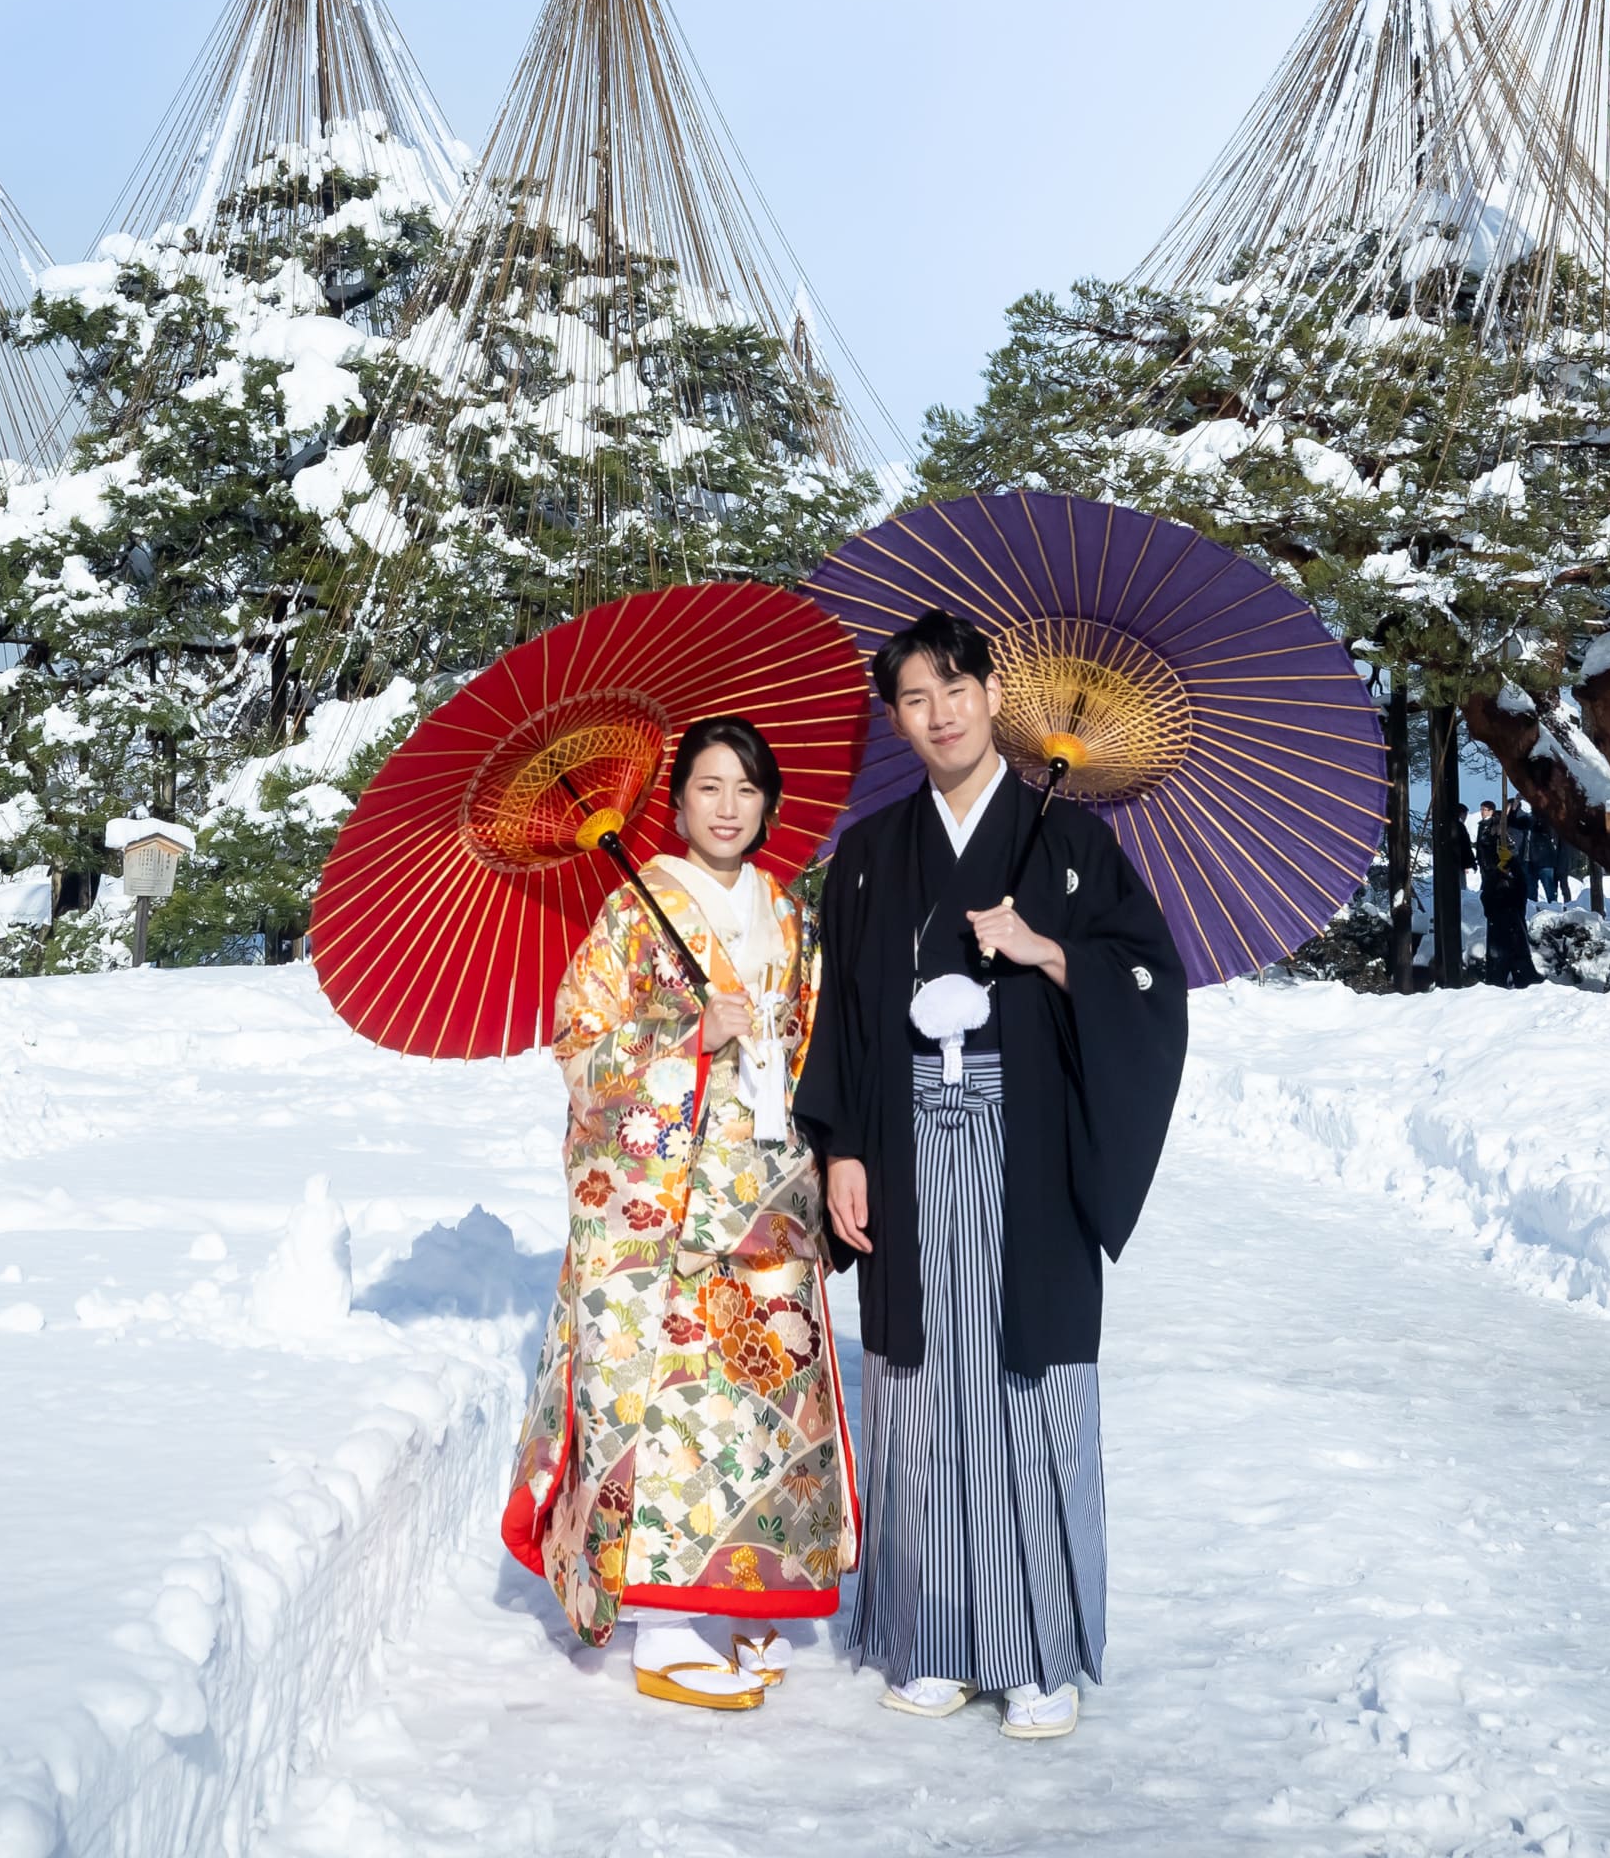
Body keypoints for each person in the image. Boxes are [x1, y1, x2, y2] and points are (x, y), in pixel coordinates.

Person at [794, 609, 1186, 1743]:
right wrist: (846, 1150)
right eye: (915, 698)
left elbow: (1150, 979)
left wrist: (1049, 949)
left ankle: (1038, 1655)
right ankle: (931, 1640)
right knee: (920, 1393)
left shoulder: (1070, 845)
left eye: (957, 688)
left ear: (993, 694)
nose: (941, 713)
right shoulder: (869, 857)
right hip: (906, 1143)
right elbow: (845, 1024)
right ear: (897, 719)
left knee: (1025, 1386)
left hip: (1031, 1148)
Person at [503, 716, 857, 1712]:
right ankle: (662, 1630)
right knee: (670, 1409)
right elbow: (582, 1046)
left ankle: (752, 1602)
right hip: (671, 1204)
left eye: (746, 789)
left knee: (762, 1412)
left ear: (771, 803)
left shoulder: (790, 916)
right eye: (708, 787)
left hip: (772, 1190)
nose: (728, 807)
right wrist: (686, 1039)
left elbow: (820, 1049)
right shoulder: (635, 910)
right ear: (679, 803)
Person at [1475, 801, 1535, 987]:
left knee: (1515, 945)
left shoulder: (1509, 851)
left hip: (1510, 905)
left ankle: (1520, 977)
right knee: (1500, 951)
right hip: (1499, 903)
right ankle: (1500, 978)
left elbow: (1519, 883)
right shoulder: (1488, 845)